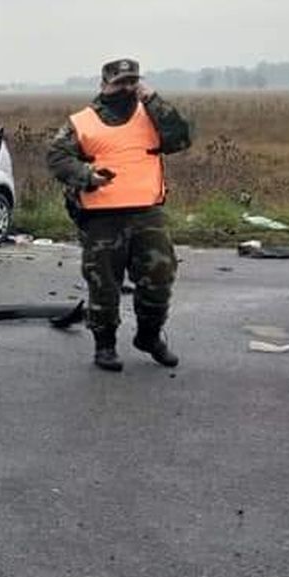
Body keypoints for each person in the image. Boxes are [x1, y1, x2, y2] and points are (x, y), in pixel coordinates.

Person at [47, 58, 193, 371]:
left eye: (132, 82)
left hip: (147, 213)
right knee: (104, 284)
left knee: (159, 276)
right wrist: (87, 175)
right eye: (119, 83)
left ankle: (149, 336)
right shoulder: (82, 121)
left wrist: (153, 100)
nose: (126, 88)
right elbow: (58, 158)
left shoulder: (150, 114)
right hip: (102, 217)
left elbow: (180, 138)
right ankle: (105, 346)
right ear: (104, 85)